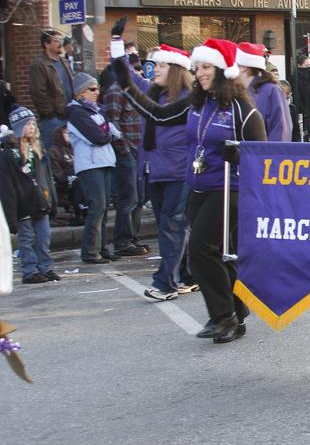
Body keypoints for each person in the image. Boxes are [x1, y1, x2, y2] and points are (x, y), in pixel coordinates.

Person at [112, 37, 266, 343]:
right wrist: (127, 85)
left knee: (198, 251)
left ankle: (222, 318)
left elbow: (262, 156)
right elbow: (158, 114)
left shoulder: (242, 110)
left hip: (229, 189)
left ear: (223, 70)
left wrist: (242, 153)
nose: (200, 73)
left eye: (206, 67)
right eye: (196, 68)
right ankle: (237, 310)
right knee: (218, 254)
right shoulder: (197, 103)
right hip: (198, 187)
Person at [129, 45, 197, 301]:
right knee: (167, 227)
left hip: (179, 172)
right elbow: (128, 78)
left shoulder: (189, 99)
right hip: (153, 171)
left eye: (161, 65)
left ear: (176, 69)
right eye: (154, 65)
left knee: (172, 226)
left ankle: (165, 284)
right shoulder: (152, 93)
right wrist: (116, 44)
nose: (154, 69)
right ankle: (187, 274)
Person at [66, 71, 119, 264]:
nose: (97, 92)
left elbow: (106, 131)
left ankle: (102, 248)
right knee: (96, 207)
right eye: (92, 89)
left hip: (104, 161)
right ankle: (90, 251)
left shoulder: (96, 110)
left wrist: (105, 132)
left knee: (104, 208)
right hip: (90, 165)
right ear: (81, 93)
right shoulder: (76, 112)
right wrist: (107, 133)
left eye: (98, 88)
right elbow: (98, 137)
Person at [1, 107, 57, 283]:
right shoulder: (8, 154)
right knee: (26, 240)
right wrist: (11, 214)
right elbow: (7, 187)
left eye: (33, 123)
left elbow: (46, 178)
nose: (31, 127)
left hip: (40, 200)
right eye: (27, 124)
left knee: (43, 237)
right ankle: (29, 270)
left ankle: (45, 267)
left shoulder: (38, 150)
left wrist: (51, 200)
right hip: (22, 203)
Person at [103, 69, 149, 258]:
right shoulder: (116, 91)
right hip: (127, 150)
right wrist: (124, 148)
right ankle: (123, 241)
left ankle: (133, 238)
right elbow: (112, 122)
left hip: (140, 150)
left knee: (140, 196)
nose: (139, 72)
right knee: (129, 196)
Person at [236, 42, 292, 142]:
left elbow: (281, 132)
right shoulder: (237, 92)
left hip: (264, 156)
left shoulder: (272, 91)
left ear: (244, 67)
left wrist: (268, 156)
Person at [29, 30, 75, 150]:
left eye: (60, 40)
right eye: (56, 41)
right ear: (46, 44)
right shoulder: (39, 64)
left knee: (70, 154)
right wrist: (50, 114)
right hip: (54, 119)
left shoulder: (64, 62)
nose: (60, 43)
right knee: (54, 154)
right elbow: (38, 93)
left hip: (70, 115)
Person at [47, 125, 83, 225]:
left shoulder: (74, 148)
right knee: (79, 181)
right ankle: (78, 213)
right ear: (59, 135)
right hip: (62, 182)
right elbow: (56, 173)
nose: (69, 135)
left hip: (77, 176)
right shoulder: (53, 151)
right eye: (66, 133)